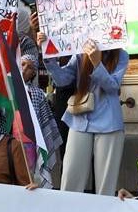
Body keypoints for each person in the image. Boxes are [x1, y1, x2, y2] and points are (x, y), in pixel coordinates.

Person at [41, 36, 128, 195]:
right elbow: (62, 80)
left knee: (105, 187)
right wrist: (49, 56)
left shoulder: (121, 55)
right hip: (80, 119)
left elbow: (113, 87)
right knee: (70, 179)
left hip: (109, 123)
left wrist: (97, 63)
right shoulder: (81, 53)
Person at [20, 52, 63, 189]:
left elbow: (44, 123)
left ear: (34, 73)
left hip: (30, 143)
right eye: (22, 64)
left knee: (30, 178)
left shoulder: (37, 93)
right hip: (9, 142)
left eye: (31, 67)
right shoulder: (5, 89)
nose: (25, 69)